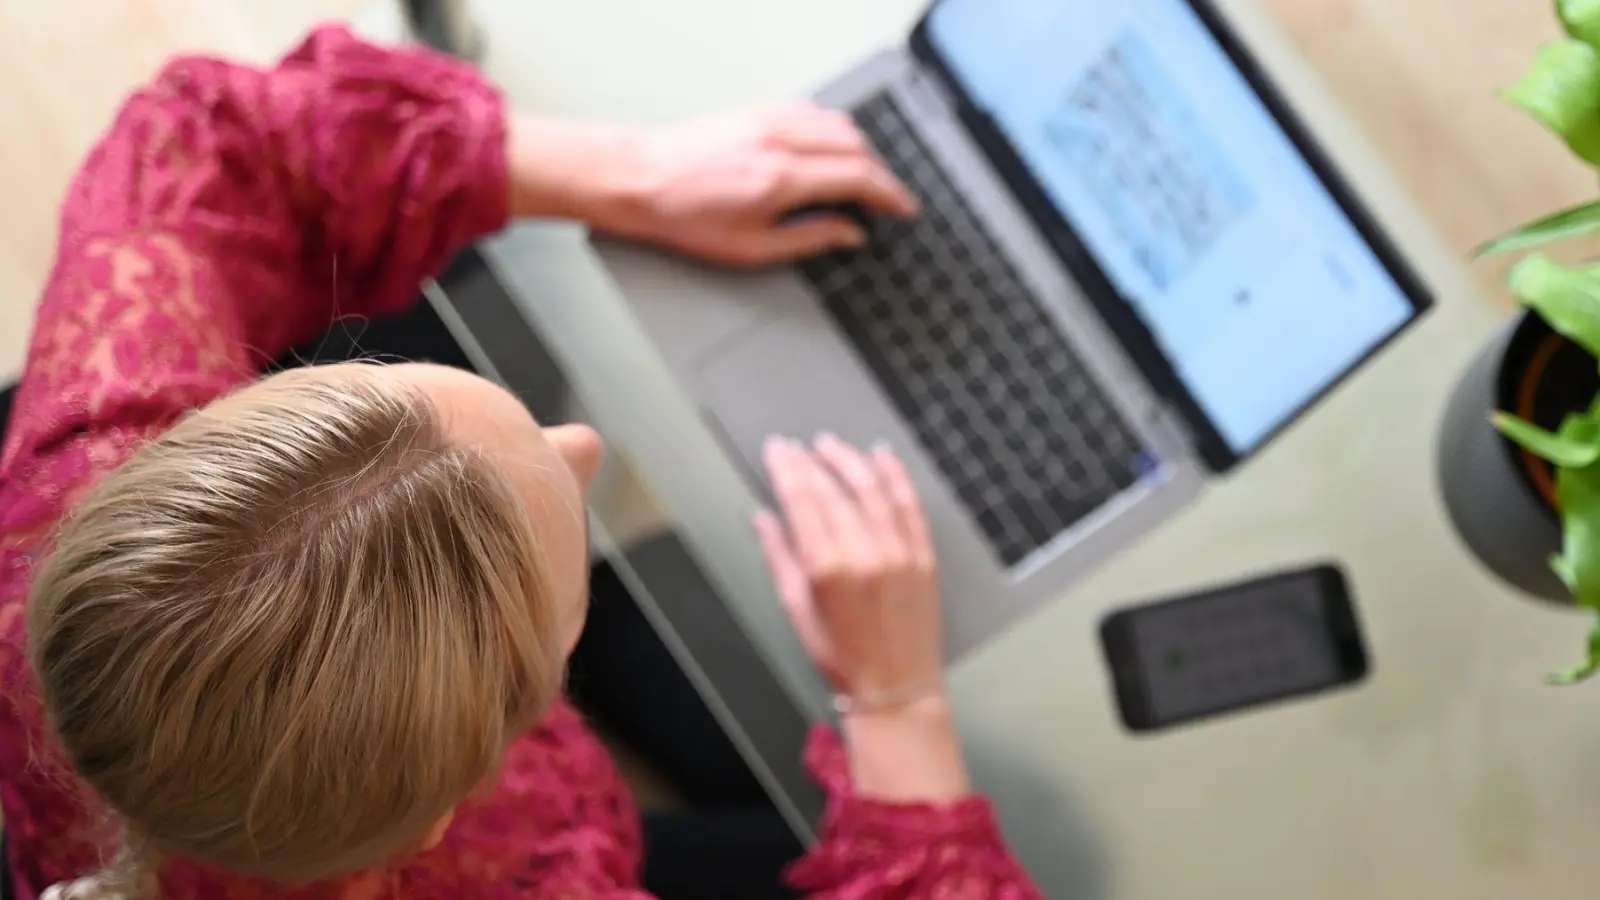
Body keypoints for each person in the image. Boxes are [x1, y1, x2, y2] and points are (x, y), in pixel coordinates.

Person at [0, 25, 1043, 900]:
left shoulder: (75, 483)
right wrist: (897, 701)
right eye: (550, 607)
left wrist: (639, 175)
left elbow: (205, 138)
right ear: (436, 822)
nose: (578, 446)